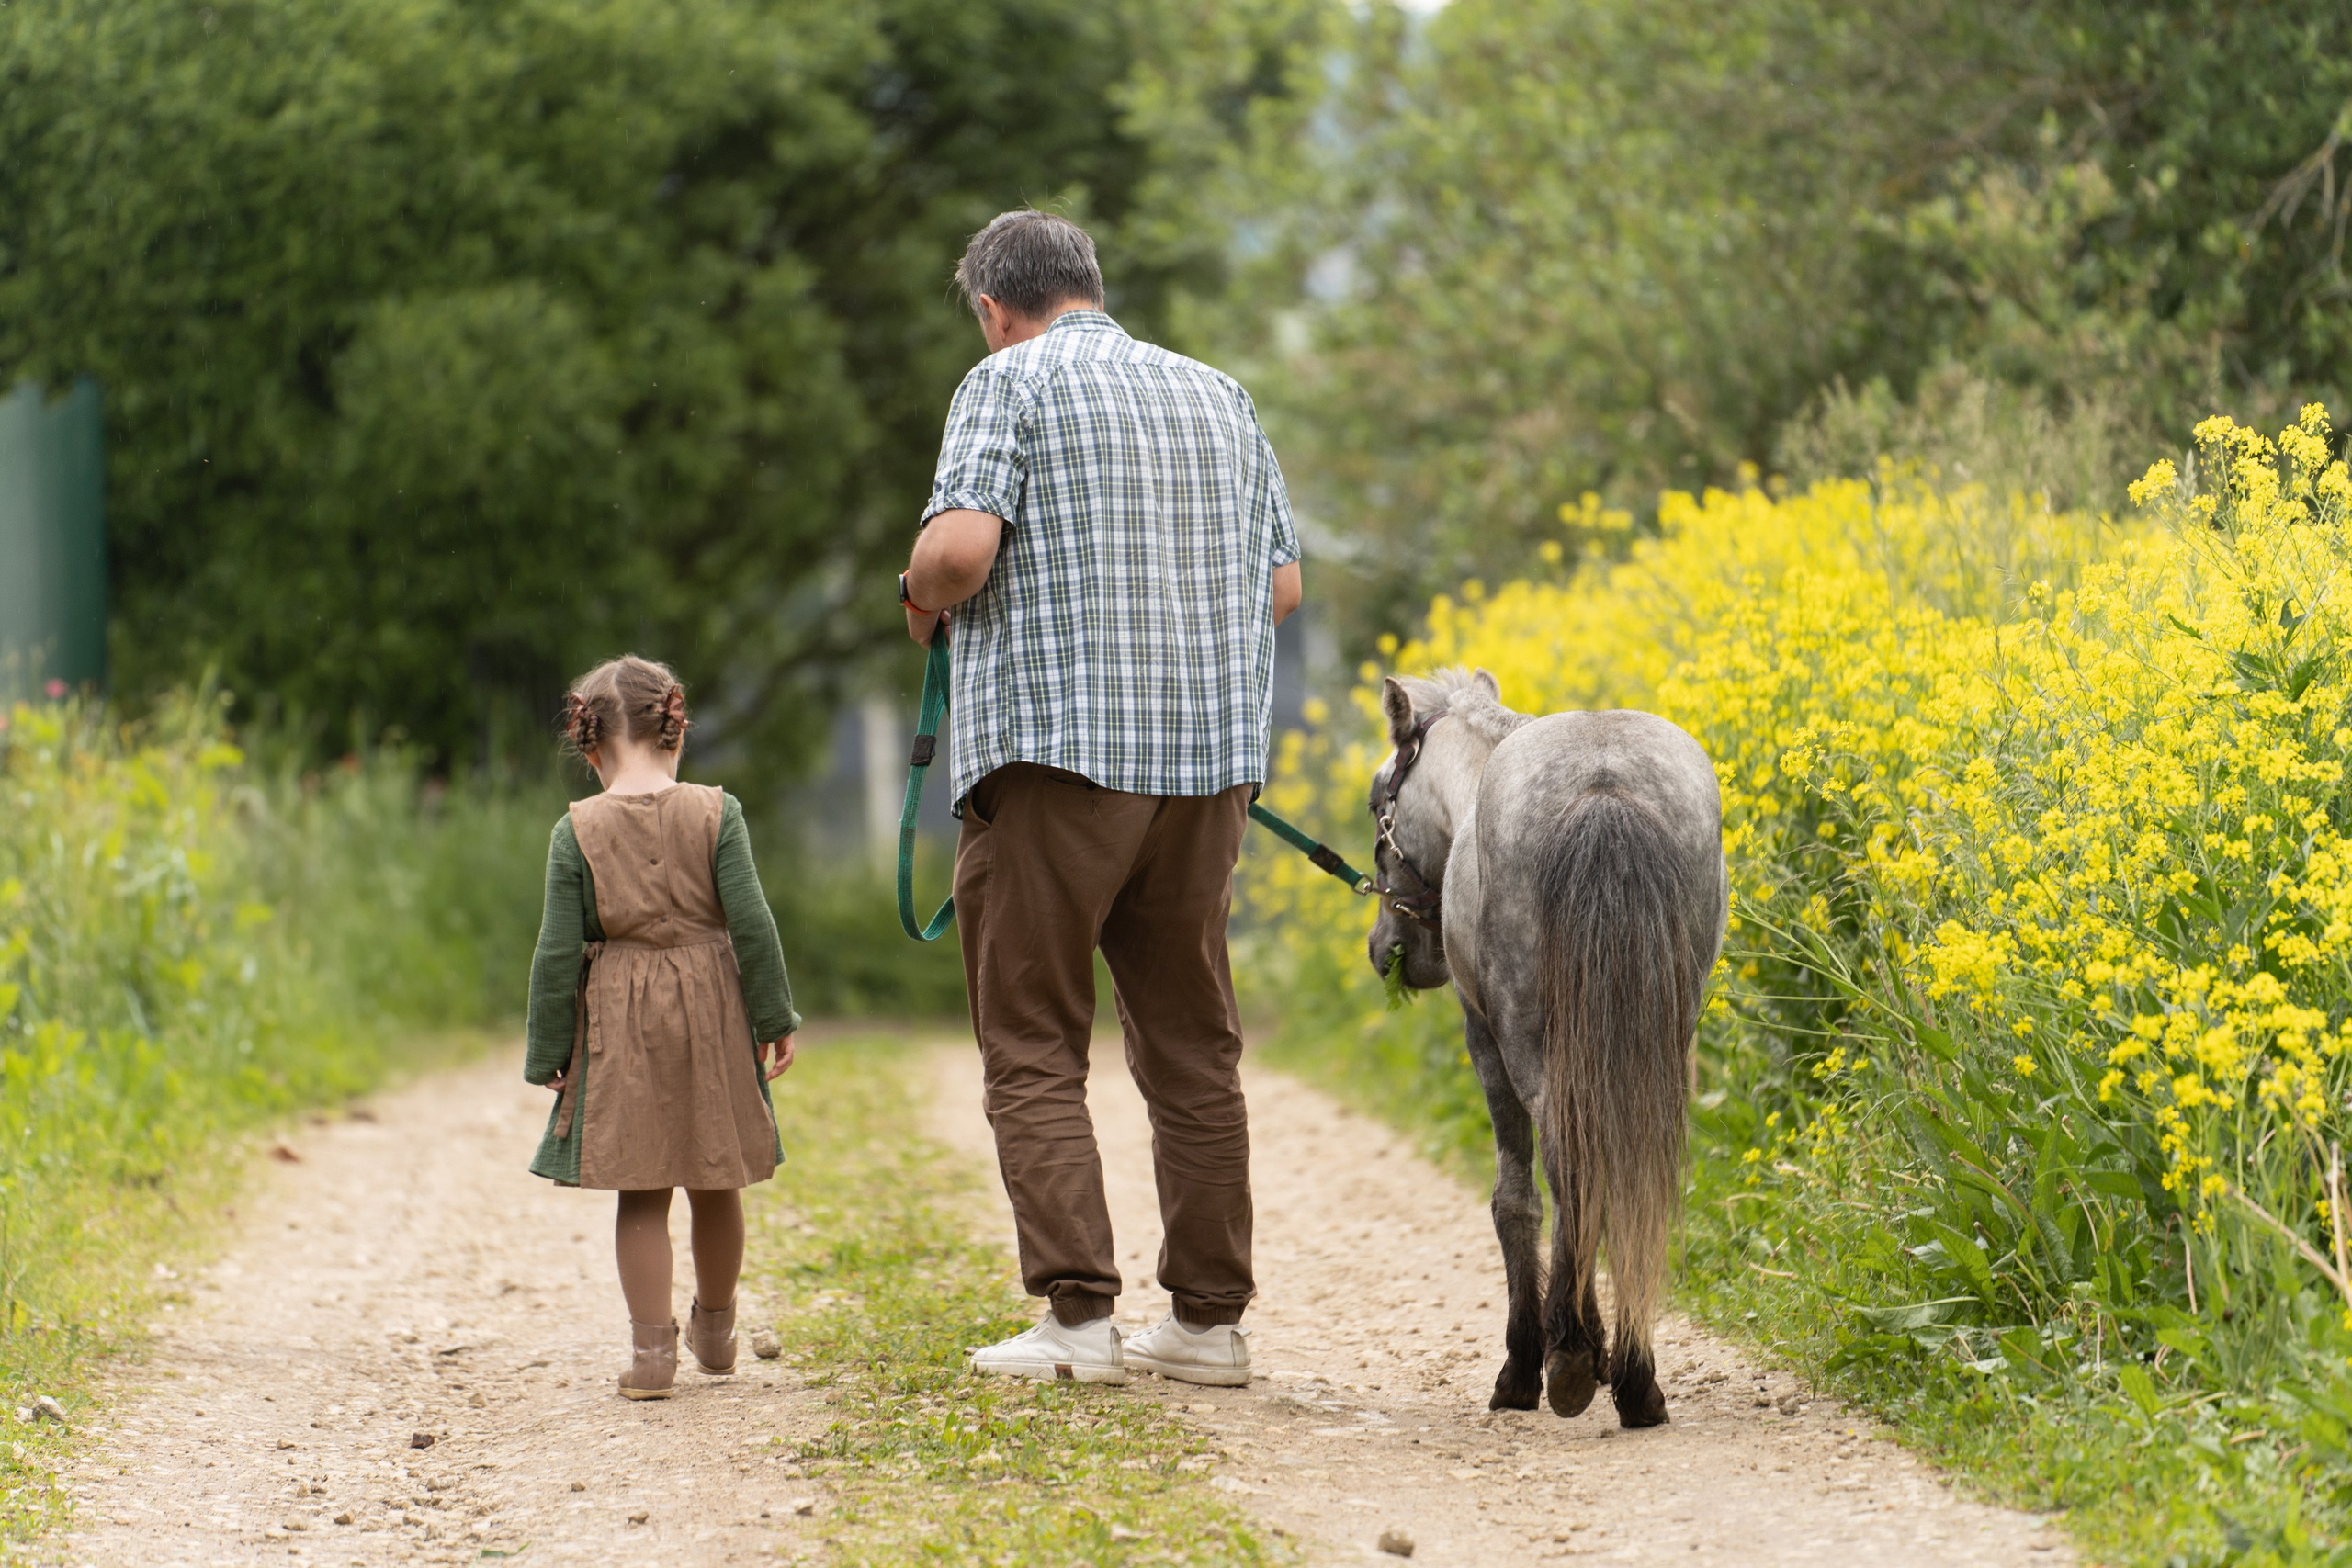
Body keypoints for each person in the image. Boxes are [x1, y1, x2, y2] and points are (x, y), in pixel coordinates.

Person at [899, 210, 1303, 1387]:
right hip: (1205, 767)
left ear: (992, 306)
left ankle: (1077, 1320)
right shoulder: (1218, 394)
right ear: (1091, 283)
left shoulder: (1005, 383)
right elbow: (1279, 587)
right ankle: (1208, 1324)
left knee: (1031, 1037)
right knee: (1191, 1045)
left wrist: (919, 589)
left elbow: (960, 557)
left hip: (1057, 761)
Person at [523, 655, 799, 1400]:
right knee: (717, 1181)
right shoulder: (718, 810)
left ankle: (652, 1356)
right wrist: (774, 1017)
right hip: (714, 1007)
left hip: (621, 1015)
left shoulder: (576, 827)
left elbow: (556, 948)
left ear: (591, 747)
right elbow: (753, 922)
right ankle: (716, 1330)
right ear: (674, 729)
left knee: (641, 1190)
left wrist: (550, 1049)